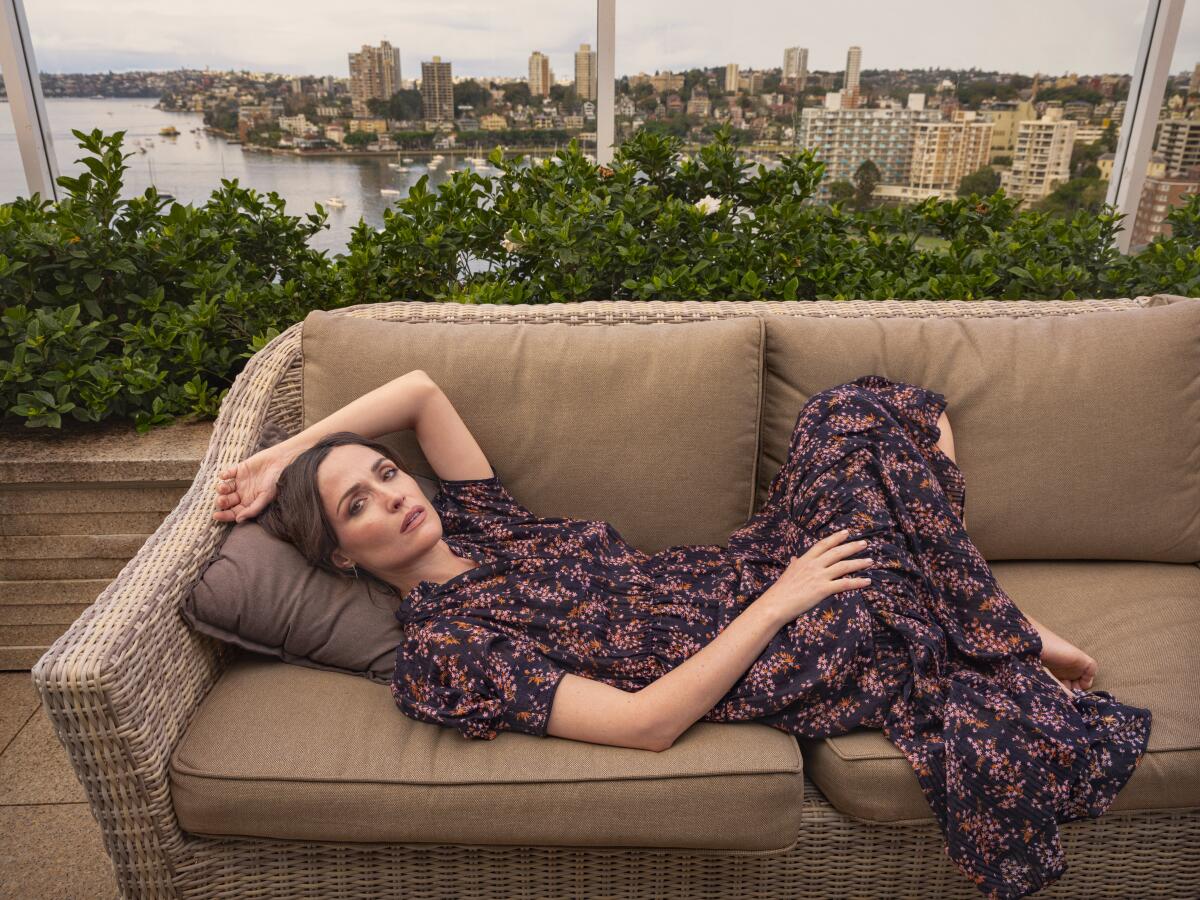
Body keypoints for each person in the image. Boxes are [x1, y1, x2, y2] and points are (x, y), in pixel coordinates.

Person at [212, 369, 1151, 900]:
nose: (396, 496)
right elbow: (645, 723)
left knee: (863, 410)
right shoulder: (446, 651)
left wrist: (284, 454)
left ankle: (988, 617)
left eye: (386, 474)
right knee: (874, 568)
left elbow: (418, 393)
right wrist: (781, 602)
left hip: (738, 566)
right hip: (766, 636)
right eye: (359, 506)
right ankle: (996, 627)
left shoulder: (482, 523)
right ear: (340, 557)